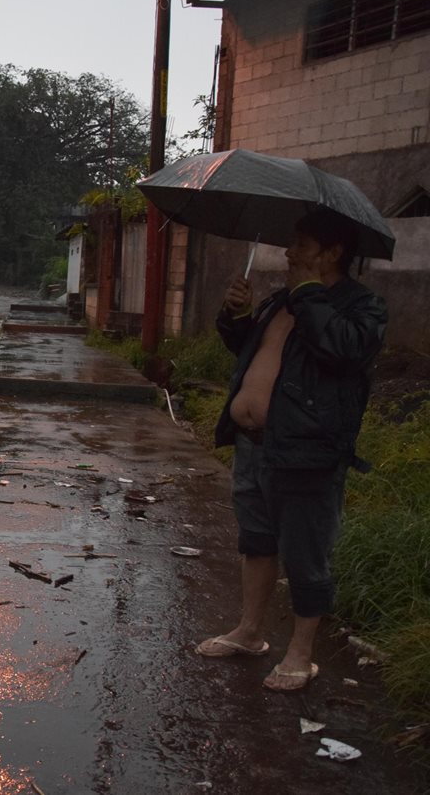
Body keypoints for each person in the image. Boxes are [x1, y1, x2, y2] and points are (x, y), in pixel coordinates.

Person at [196, 208, 387, 691]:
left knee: (306, 552)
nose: (288, 252)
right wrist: (236, 317)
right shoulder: (282, 300)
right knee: (256, 540)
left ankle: (301, 654)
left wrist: (308, 295)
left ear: (332, 252)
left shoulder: (359, 307)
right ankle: (250, 632)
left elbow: (341, 350)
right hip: (255, 445)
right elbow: (251, 353)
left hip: (307, 453)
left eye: (301, 245)